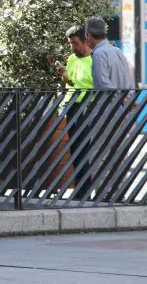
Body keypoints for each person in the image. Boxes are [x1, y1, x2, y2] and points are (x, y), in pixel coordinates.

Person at [56, 25, 93, 199]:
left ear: (85, 41)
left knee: (83, 148)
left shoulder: (94, 59)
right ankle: (79, 188)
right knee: (74, 148)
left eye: (75, 43)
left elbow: (92, 84)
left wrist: (70, 79)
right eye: (70, 44)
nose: (72, 47)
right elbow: (67, 84)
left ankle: (85, 190)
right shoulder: (71, 58)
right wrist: (63, 75)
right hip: (71, 104)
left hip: (86, 105)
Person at [85, 17, 133, 90]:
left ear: (88, 35)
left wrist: (119, 98)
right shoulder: (117, 51)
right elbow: (128, 79)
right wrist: (126, 98)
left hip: (110, 101)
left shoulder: (99, 53)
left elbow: (104, 85)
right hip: (125, 99)